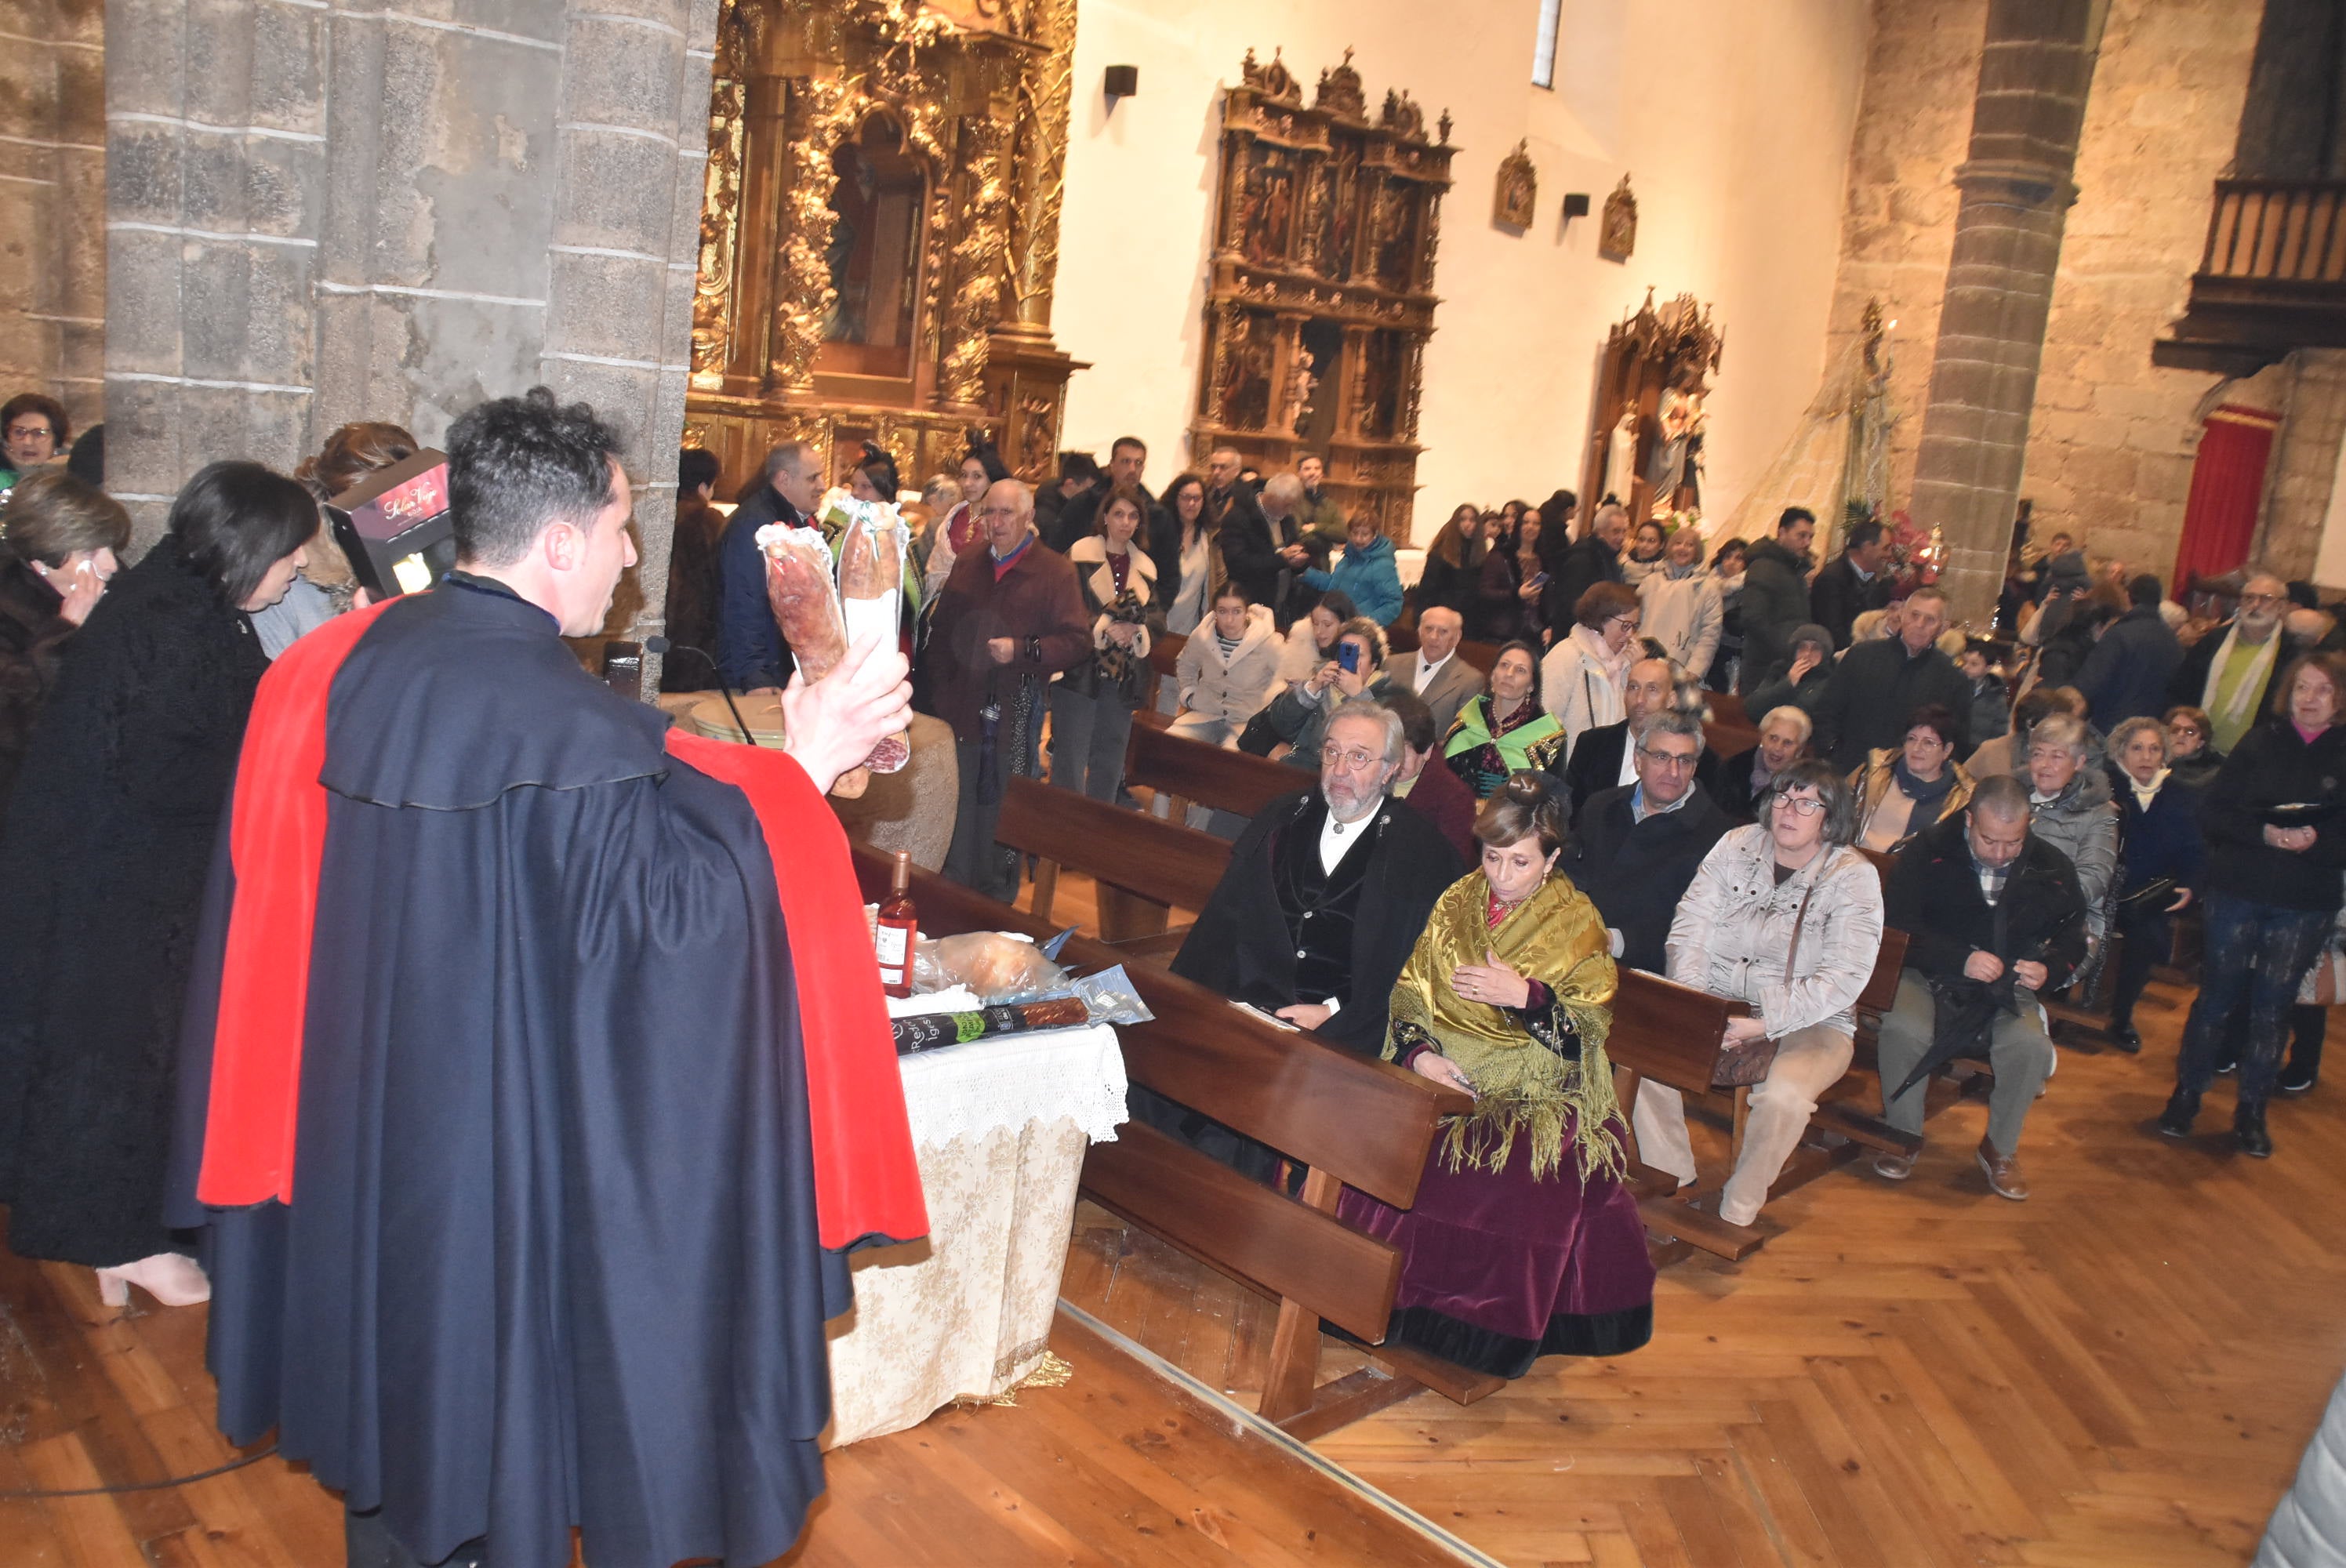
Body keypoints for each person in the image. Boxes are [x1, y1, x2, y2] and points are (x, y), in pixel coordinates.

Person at [165, 387, 924, 1568]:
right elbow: (676, 943)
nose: (631, 558)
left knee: (405, 1448)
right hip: (495, 1163)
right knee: (486, 1430)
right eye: (622, 528)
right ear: (560, 541)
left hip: (370, 1137)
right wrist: (806, 767)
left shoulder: (354, 665)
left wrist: (773, 763)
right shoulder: (564, 729)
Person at [0, 460, 315, 1308]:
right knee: (113, 1058)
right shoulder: (170, 620)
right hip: (113, 881)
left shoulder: (184, 597)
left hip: (125, 871)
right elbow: (160, 769)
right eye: (289, 555)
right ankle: (112, 1235)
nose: (299, 570)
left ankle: (124, 1224)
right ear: (248, 546)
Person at [1337, 773, 1653, 1375]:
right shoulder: (1458, 899)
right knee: (1364, 1136)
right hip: (1442, 1065)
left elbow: (1585, 1041)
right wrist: (1420, 1055)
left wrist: (1529, 997)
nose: (1503, 876)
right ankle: (1366, 1298)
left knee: (1498, 1171)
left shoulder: (1578, 922)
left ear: (1553, 858)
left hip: (1532, 1084)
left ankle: (1466, 1329)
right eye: (1492, 858)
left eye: (1521, 862)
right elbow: (1410, 991)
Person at [1144, 701, 1462, 1178]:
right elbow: (1222, 926)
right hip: (1250, 1000)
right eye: (1332, 753)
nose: (1339, 770)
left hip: (1345, 1024)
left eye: (1359, 757)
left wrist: (1335, 1011)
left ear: (1391, 770)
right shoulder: (1282, 816)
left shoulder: (1419, 852)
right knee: (1153, 1066)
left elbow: (1410, 971)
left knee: (1272, 1100)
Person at [1652, 760, 1885, 1225]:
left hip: (1814, 1021)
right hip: (1718, 1002)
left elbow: (1844, 977)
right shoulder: (1737, 844)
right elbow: (1690, 926)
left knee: (1784, 1098)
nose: (1788, 811)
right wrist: (1699, 1009)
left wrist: (1763, 1023)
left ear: (1831, 817)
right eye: (1782, 797)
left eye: (1806, 803)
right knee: (1642, 1050)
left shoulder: (1851, 877)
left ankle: (1737, 1209)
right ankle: (1671, 1175)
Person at [2160, 652, 2346, 1157]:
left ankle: (2252, 1112)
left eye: (2322, 690)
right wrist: (2266, 832)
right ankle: (2186, 1096)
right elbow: (2214, 812)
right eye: (2302, 688)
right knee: (2215, 1001)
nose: (2310, 699)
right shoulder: (2261, 741)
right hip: (2240, 889)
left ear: (2339, 698)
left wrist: (2315, 840)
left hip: (2304, 901)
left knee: (2272, 1009)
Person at [1873, 776, 2083, 1199]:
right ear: (1969, 820)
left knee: (2031, 1047)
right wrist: (1959, 959)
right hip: (1925, 970)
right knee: (1904, 1030)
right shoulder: (1927, 852)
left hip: (2004, 984)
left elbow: (2074, 937)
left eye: (2014, 842)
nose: (2002, 854)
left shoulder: (2051, 866)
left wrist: (2050, 969)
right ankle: (1902, 1134)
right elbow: (1896, 929)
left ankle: (2000, 1148)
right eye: (1989, 841)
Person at [926, 479, 1091, 899]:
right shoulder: (969, 560)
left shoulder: (1055, 571)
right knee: (958, 808)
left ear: (1028, 517)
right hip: (960, 710)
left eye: (1006, 513)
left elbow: (1077, 641)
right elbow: (942, 632)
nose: (996, 523)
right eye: (990, 513)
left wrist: (1022, 650)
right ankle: (953, 901)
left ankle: (995, 908)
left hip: (1014, 713)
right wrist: (938, 696)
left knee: (1001, 812)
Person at [1555, 709, 1730, 976]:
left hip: (1646, 976)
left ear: (1695, 767)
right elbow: (1567, 877)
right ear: (1638, 760)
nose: (1673, 771)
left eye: (1684, 760)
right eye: (1662, 757)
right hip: (1572, 954)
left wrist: (1614, 941)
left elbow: (1699, 933)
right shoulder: (1600, 806)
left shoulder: (1719, 837)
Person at [0, 469, 129, 807]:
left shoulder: (115, 587)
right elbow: (17, 719)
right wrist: (65, 632)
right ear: (43, 561)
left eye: (109, 547)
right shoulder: (9, 610)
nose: (111, 564)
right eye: (90, 552)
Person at [1050, 484, 1160, 802]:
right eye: (1119, 514)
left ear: (1139, 523)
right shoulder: (1079, 554)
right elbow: (1062, 606)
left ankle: (1096, 837)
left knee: (1110, 763)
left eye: (1133, 516)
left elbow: (1157, 617)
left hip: (1123, 674)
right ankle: (1060, 838)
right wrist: (1104, 626)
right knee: (1070, 761)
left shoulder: (1146, 567)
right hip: (1080, 671)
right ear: (1106, 518)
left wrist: (1135, 630)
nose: (1125, 522)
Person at [2103, 717, 2203, 1054]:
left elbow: (2194, 848)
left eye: (2154, 748)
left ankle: (2121, 1016)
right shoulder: (2103, 787)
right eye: (2137, 748)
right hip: (2101, 887)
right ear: (2120, 752)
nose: (2146, 757)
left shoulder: (2180, 795)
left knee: (2148, 934)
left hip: (2147, 893)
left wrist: (2191, 884)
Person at [1813, 586, 1970, 771]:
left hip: (1911, 781)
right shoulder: (1861, 656)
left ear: (1943, 628)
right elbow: (1826, 711)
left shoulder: (1951, 678)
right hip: (1849, 770)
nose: (1919, 624)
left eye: (1930, 620)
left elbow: (1955, 741)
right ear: (1902, 616)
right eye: (1914, 615)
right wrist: (1832, 752)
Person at [717, 440, 823, 692]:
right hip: (764, 675)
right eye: (813, 478)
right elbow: (744, 602)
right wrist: (756, 675)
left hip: (787, 670)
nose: (823, 486)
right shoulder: (754, 525)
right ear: (785, 479)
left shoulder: (799, 518)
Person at [1563, 655, 1721, 818]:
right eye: (1633, 687)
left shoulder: (1704, 761)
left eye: (1652, 689)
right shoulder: (1592, 745)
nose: (1640, 699)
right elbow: (1569, 814)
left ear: (1671, 699)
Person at [2169, 571, 2304, 757]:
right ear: (2240, 603)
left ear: (2281, 607)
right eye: (2249, 598)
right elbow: (2181, 688)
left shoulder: (2291, 654)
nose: (2255, 605)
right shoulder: (2213, 642)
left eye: (2266, 599)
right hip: (2199, 752)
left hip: (2253, 756)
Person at [2021, 714, 2119, 965]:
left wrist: (2032, 904)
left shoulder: (2098, 812)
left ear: (2079, 763)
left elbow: (2094, 878)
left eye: (2057, 756)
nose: (2044, 765)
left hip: (2069, 922)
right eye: (2038, 754)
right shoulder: (2009, 796)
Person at [1259, 617, 1393, 769]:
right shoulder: (1323, 683)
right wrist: (1313, 688)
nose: (1352, 660)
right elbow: (1282, 726)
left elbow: (1378, 745)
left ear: (1373, 665)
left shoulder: (1387, 696)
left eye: (1359, 654)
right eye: (1346, 652)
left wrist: (1358, 696)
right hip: (1304, 768)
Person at [1443, 641, 1565, 798]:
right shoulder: (1467, 719)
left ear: (1531, 686)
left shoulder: (1547, 736)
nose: (1509, 674)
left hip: (1515, 820)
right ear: (1493, 675)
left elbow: (1551, 798)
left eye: (1520, 670)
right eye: (1504, 665)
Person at [1851, 703, 1976, 853]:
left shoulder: (1961, 800)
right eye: (1911, 739)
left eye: (1928, 742)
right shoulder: (1872, 771)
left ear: (1947, 750)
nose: (1917, 748)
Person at [1171, 586, 1282, 746]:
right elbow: (1185, 663)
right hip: (1204, 714)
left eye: (1236, 612)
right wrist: (1189, 694)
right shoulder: (1203, 636)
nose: (1229, 620)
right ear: (1215, 613)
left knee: (1232, 759)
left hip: (1245, 722)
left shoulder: (1268, 641)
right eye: (1223, 612)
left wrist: (1266, 712)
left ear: (1246, 612)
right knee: (1172, 743)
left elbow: (1284, 677)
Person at [2073, 572, 2183, 731]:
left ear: (2127, 596)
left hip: (2112, 726)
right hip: (2151, 730)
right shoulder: (2173, 641)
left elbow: (2089, 683)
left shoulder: (2119, 635)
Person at [1542, 580, 1640, 757]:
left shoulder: (1625, 663)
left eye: (1634, 626)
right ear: (1600, 620)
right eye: (1625, 625)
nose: (1631, 634)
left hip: (1605, 772)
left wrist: (1637, 671)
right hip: (1569, 773)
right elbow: (1545, 721)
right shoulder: (1566, 656)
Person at [1385, 686, 1477, 863]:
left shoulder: (1454, 797)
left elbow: (1453, 865)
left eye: (1404, 753)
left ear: (1427, 751)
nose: (1395, 762)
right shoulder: (1368, 776)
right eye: (1390, 750)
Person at [659, 446, 725, 692]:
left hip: (665, 624)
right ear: (703, 487)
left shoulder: (662, 514)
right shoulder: (707, 521)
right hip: (695, 630)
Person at [1734, 507, 1817, 696]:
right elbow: (1753, 618)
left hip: (1787, 666)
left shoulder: (1794, 569)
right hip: (1765, 668)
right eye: (1801, 536)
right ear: (1782, 533)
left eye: (1810, 537)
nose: (1807, 542)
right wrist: (1790, 649)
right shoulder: (1764, 566)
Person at [1217, 464, 1308, 626]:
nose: (1290, 510)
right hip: (1250, 605)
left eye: (1293, 505)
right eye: (1286, 505)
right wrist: (1281, 559)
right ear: (1270, 497)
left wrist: (1299, 560)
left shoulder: (1287, 519)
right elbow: (1237, 564)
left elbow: (1293, 548)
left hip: (1280, 605)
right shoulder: (1239, 517)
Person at [921, 438, 1009, 601]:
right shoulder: (953, 518)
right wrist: (949, 585)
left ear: (993, 479)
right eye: (964, 475)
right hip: (945, 603)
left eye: (977, 476)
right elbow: (935, 571)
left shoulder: (1005, 522)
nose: (968, 483)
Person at [1637, 524, 1722, 677]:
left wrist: (1694, 671)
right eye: (1678, 543)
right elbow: (1635, 622)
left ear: (1697, 551)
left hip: (1682, 670)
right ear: (1670, 547)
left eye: (1689, 545)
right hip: (1644, 663)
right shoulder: (1650, 581)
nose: (1682, 548)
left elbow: (1710, 635)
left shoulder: (1708, 588)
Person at [1389, 604, 1484, 738]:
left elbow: (1461, 735)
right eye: (1428, 629)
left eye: (1443, 631)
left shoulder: (1470, 680)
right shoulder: (1392, 664)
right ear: (1419, 631)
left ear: (1457, 637)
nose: (1433, 637)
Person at [1048, 434, 1153, 554]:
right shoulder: (1083, 505)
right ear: (1112, 465)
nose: (1132, 470)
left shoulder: (1156, 514)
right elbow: (1056, 551)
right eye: (1126, 461)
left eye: (1138, 463)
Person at [1542, 502, 1628, 646]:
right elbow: (1572, 605)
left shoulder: (1610, 558)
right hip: (1576, 640)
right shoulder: (1584, 559)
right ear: (1600, 532)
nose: (1621, 537)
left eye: (1624, 531)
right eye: (1616, 531)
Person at [1300, 511, 1403, 626]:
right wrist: (1306, 573)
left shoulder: (1382, 564)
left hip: (1360, 631)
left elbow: (1393, 604)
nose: (1358, 539)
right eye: (1355, 533)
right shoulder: (1349, 557)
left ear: (1375, 535)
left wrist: (1366, 623)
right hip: (1340, 623)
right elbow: (1333, 584)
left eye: (1365, 534)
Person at [1716, 704, 1812, 822]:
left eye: (1787, 743)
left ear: (1800, 750)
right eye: (1773, 738)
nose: (1777, 748)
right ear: (1762, 737)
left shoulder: (1806, 784)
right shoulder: (1733, 767)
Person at [1808, 518, 1893, 650]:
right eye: (1886, 549)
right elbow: (1833, 634)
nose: (1889, 555)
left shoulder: (1876, 579)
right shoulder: (1831, 580)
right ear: (1866, 548)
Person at [1966, 684, 2080, 779]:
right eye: (2053, 725)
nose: (2061, 732)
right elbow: (1961, 788)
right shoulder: (1992, 752)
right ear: (2030, 723)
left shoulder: (2071, 758)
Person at [1153, 471, 1218, 634]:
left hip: (1192, 627)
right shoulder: (1160, 534)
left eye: (1197, 498)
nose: (1192, 503)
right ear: (1175, 499)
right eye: (1186, 497)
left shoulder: (1208, 537)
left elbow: (1215, 582)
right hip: (1159, 621)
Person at [1743, 621, 1836, 721]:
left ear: (1825, 654)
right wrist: (1788, 684)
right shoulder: (1780, 670)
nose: (1807, 654)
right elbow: (1752, 708)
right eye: (1802, 647)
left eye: (1816, 648)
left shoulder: (1831, 679)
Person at [1475, 510, 1544, 644]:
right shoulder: (1500, 556)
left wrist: (1547, 626)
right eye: (1526, 522)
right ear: (1518, 526)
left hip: (1534, 633)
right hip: (1504, 632)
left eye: (1536, 523)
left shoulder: (1544, 559)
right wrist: (1517, 594)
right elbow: (1484, 593)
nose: (1531, 527)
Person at [1415, 503, 1485, 619]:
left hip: (1469, 617)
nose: (1467, 524)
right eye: (1462, 520)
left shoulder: (1479, 553)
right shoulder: (1441, 554)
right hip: (1443, 614)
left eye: (1472, 520)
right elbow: (1427, 591)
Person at [1276, 589, 1359, 686]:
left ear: (1345, 623)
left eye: (1327, 625)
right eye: (1315, 624)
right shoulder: (1302, 648)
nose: (1319, 632)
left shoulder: (1359, 655)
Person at [0, 392, 67, 495]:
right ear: (7, 437)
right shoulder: (3, 480)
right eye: (19, 432)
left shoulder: (75, 475)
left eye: (39, 433)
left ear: (56, 439)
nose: (27, 442)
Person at [1705, 536, 1749, 691]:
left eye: (1738, 558)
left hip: (1734, 648)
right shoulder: (1708, 584)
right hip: (1709, 645)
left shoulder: (1747, 588)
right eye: (1728, 556)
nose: (1731, 562)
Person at [1959, 643, 2010, 747]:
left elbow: (2001, 727)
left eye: (1974, 664)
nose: (1966, 667)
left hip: (1978, 747)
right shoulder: (1954, 686)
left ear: (1988, 668)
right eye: (1964, 662)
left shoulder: (1997, 695)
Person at [2164, 703, 2224, 789]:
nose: (2181, 735)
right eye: (2175, 729)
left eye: (2190, 732)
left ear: (2201, 743)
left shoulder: (2209, 772)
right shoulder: (2154, 757)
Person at [1295, 452, 1346, 543]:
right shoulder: (1292, 502)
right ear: (1299, 473)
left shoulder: (1329, 504)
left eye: (1317, 468)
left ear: (1322, 474)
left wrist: (1316, 527)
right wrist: (1327, 534)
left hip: (1324, 556)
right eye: (1307, 469)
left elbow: (1343, 534)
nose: (1313, 473)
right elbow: (1297, 534)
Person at [1618, 518, 1667, 589]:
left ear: (1661, 545)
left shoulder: (1666, 570)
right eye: (1641, 539)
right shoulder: (1622, 564)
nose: (1644, 545)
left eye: (1651, 541)